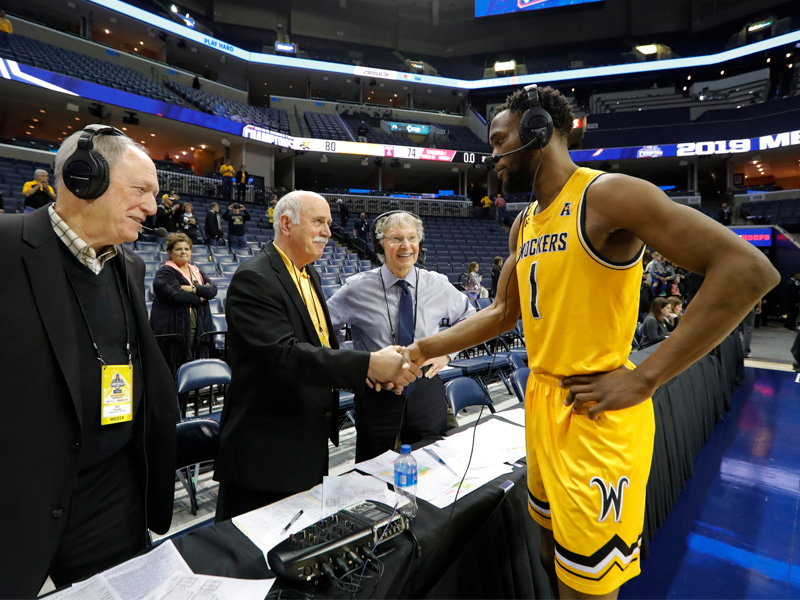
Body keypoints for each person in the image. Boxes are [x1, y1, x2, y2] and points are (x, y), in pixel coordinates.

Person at [402, 85, 778, 598]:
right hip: (542, 406)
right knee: (548, 552)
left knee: (589, 586)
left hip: (595, 415)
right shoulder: (523, 222)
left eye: (499, 140)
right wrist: (424, 349)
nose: (492, 157)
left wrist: (645, 378)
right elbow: (501, 312)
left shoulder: (609, 195)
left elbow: (748, 270)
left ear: (537, 130)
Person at [0, 124, 176, 597]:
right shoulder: (5, 244)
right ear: (84, 179)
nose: (153, 207)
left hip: (111, 488)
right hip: (17, 495)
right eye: (141, 190)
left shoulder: (130, 264)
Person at [213, 191, 419, 521]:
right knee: (255, 563)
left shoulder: (310, 274)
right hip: (267, 456)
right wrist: (368, 362)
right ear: (286, 223)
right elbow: (283, 356)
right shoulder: (255, 278)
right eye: (319, 222)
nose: (328, 231)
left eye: (329, 223)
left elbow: (320, 346)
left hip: (306, 442)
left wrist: (367, 373)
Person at [327, 211, 475, 462]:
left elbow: (470, 318)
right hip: (377, 394)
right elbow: (325, 328)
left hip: (426, 388)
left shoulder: (437, 283)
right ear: (380, 245)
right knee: (373, 472)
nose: (406, 246)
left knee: (431, 465)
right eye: (396, 238)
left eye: (412, 238)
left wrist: (446, 353)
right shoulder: (356, 288)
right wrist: (359, 365)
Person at [149, 232, 218, 372]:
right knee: (175, 366)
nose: (183, 252)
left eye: (187, 249)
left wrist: (192, 288)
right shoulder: (165, 273)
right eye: (178, 249)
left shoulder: (196, 270)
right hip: (174, 328)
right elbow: (177, 295)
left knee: (197, 365)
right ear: (170, 252)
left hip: (199, 324)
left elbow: (213, 290)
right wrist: (201, 296)